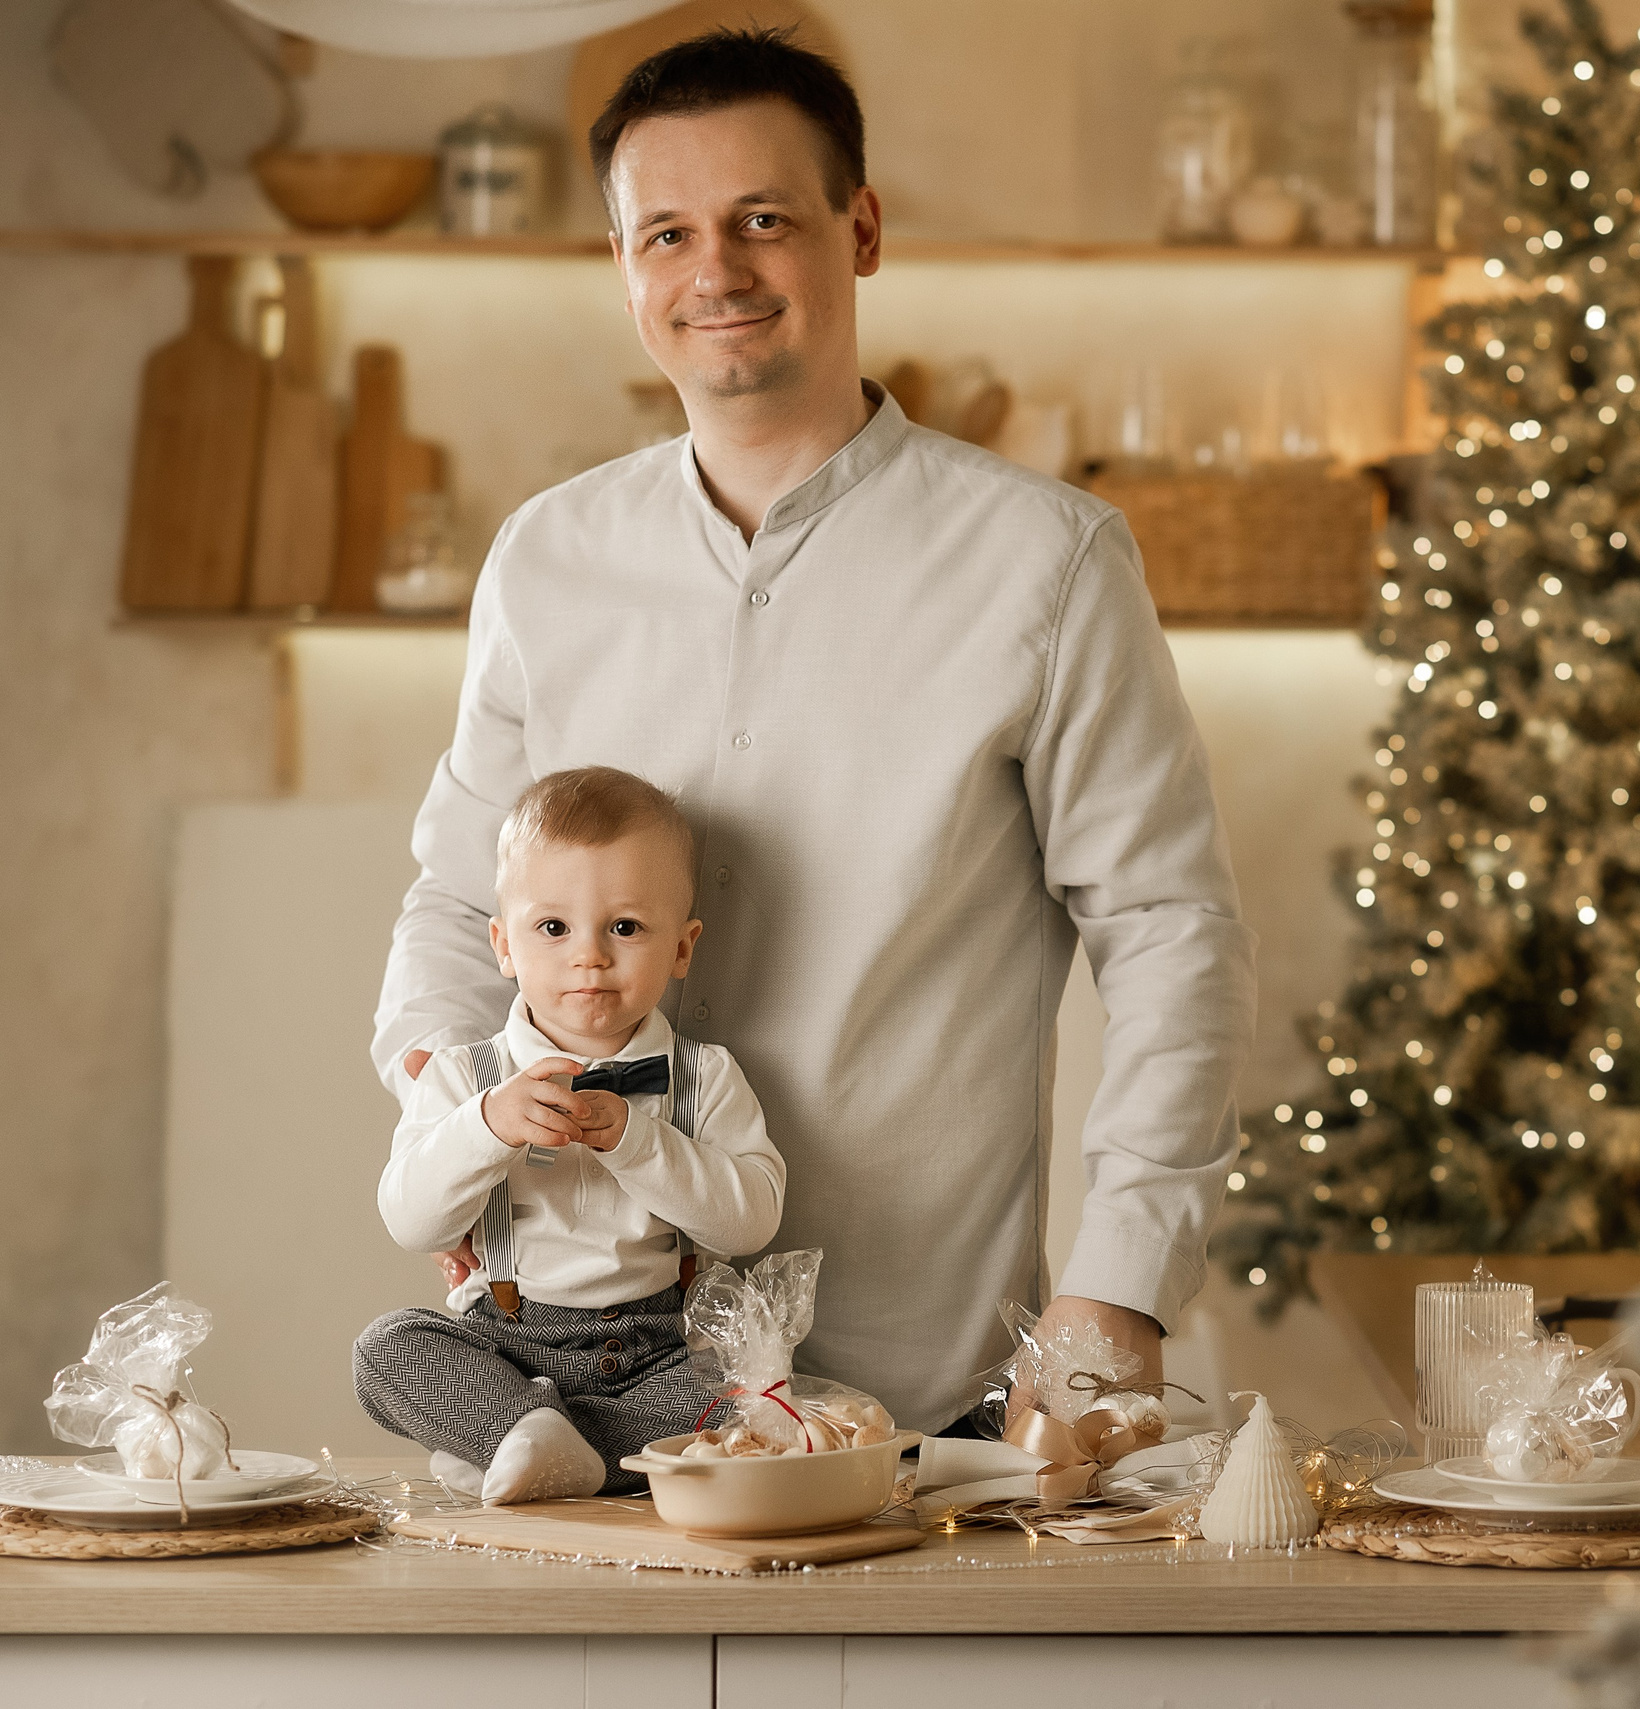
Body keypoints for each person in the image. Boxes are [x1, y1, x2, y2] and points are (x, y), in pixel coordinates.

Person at [371, 28, 1255, 1434]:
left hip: (915, 1388)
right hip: (586, 1396)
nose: (714, 271)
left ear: (863, 230)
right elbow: (454, 901)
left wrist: (1118, 1290)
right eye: (665, 232)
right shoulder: (547, 558)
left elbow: (1170, 935)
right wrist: (458, 1109)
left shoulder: (1048, 561)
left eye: (762, 221)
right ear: (625, 270)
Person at [359, 768, 786, 1503]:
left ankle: (519, 1442)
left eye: (624, 927)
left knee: (741, 1396)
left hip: (657, 1350)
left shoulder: (704, 1076)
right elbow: (409, 1218)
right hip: (507, 1338)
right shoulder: (466, 1076)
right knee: (383, 1350)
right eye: (553, 928)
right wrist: (487, 1127)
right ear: (503, 943)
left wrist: (639, 1141)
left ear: (682, 948)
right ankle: (531, 1429)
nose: (588, 955)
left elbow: (751, 1218)